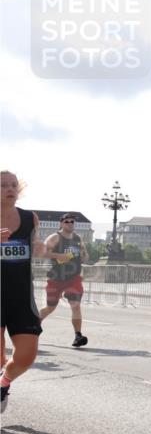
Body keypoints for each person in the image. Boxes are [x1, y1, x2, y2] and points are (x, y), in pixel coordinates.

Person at [1, 170, 59, 413]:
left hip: (21, 295)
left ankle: (3, 383)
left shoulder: (29, 218)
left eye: (13, 185)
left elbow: (36, 249)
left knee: (26, 356)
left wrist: (45, 247)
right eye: (3, 185)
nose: (10, 188)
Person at [38, 213, 89, 347]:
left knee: (75, 305)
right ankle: (33, 326)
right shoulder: (55, 237)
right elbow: (43, 253)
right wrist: (59, 255)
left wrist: (83, 256)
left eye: (72, 221)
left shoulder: (78, 238)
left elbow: (84, 255)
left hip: (73, 278)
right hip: (56, 278)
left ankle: (78, 336)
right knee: (50, 307)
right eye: (67, 221)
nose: (70, 223)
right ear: (61, 223)